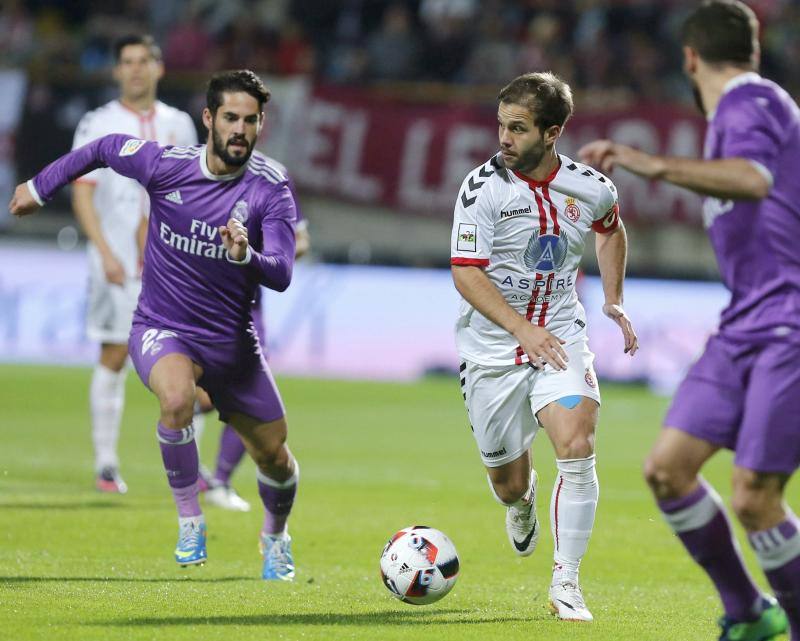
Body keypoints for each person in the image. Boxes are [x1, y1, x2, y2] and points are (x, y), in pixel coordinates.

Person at [10, 70, 300, 581]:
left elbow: (281, 271)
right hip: (163, 326)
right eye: (230, 117)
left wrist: (246, 253)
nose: (240, 129)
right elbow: (101, 148)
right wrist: (39, 185)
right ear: (209, 119)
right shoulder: (166, 164)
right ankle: (191, 521)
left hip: (232, 343)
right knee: (175, 400)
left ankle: (275, 536)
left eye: (250, 120)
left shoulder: (270, 188)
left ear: (260, 125)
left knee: (276, 459)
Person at [579, 2, 798, 639]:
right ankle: (749, 613)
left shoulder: (748, 101)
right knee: (667, 470)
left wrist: (651, 163)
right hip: (745, 323)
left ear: (690, 57)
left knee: (756, 495)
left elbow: (753, 180)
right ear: (751, 48)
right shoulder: (736, 112)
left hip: (790, 322)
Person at [450, 71, 638, 622]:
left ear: (552, 133)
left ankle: (566, 583)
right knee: (506, 483)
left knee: (577, 448)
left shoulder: (592, 186)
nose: (504, 139)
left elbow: (610, 228)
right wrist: (519, 330)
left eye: (518, 128)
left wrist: (612, 299)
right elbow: (466, 275)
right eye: (501, 125)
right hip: (490, 349)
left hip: (560, 335)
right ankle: (523, 499)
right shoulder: (481, 189)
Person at [72, 34, 197, 494]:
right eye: (127, 62)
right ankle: (106, 463)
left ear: (160, 68)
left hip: (173, 266)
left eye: (144, 61)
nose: (136, 69)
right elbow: (82, 191)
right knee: (115, 352)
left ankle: (193, 475)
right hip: (118, 262)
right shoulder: (98, 122)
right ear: (117, 71)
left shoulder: (179, 124)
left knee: (192, 363)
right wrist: (104, 251)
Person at [197, 171, 310, 513]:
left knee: (245, 390)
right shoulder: (195, 172)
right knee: (195, 395)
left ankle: (218, 480)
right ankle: (197, 474)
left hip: (247, 303)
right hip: (194, 298)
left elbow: (301, 241)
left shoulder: (274, 178)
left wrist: (260, 255)